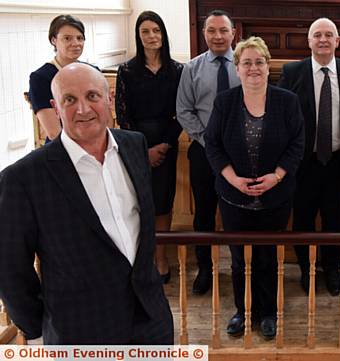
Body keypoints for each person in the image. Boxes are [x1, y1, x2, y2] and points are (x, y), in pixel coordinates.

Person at [0, 63, 174, 344]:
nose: (82, 109)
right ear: (56, 108)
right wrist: (37, 333)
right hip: (79, 332)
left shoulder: (135, 145)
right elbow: (11, 271)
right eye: (70, 100)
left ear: (109, 100)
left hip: (151, 322)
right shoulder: (23, 178)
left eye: (92, 96)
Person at [205, 36, 304, 340]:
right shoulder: (225, 101)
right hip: (234, 197)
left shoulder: (287, 100)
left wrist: (277, 176)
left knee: (268, 258)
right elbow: (212, 144)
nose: (253, 68)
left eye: (259, 62)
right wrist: (232, 178)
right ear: (237, 68)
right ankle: (243, 310)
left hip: (276, 196)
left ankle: (269, 312)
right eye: (246, 62)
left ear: (267, 65)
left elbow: (297, 143)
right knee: (239, 259)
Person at [278, 17, 340, 296]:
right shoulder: (293, 72)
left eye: (329, 35)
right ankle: (308, 270)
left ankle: (332, 270)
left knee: (334, 221)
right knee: (303, 220)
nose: (323, 40)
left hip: (339, 162)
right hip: (304, 163)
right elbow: (283, 116)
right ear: (309, 41)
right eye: (317, 35)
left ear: (337, 41)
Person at [116, 10, 183, 284]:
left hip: (168, 141)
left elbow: (182, 111)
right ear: (138, 36)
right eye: (146, 31)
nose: (152, 36)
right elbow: (122, 114)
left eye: (156, 30)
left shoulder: (177, 70)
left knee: (163, 203)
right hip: (136, 144)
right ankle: (142, 259)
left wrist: (165, 145)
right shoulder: (128, 70)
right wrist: (143, 150)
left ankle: (161, 258)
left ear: (163, 34)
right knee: (139, 203)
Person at [177, 9, 240, 295]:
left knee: (238, 214)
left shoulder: (245, 63)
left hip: (240, 153)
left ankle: (241, 268)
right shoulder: (191, 68)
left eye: (223, 30)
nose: (218, 36)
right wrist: (208, 140)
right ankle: (206, 269)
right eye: (212, 31)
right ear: (204, 34)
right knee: (204, 213)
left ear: (233, 34)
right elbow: (184, 110)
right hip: (203, 152)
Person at [29, 14, 87, 142]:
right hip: (62, 149)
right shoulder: (41, 77)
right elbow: (53, 132)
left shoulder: (91, 72)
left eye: (80, 38)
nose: (76, 43)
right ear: (53, 40)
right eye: (67, 38)